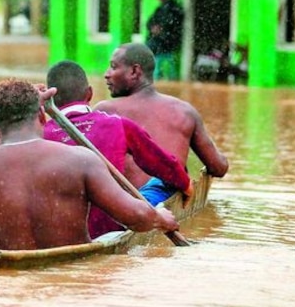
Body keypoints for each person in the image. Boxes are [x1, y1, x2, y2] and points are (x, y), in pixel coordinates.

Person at [0, 78, 179, 251]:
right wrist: (159, 218)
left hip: (9, 273)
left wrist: (12, 116)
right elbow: (135, 218)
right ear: (42, 117)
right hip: (74, 270)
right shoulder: (81, 159)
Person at [42, 60, 193, 238]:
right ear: (89, 93)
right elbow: (162, 164)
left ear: (50, 98)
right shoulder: (117, 124)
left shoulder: (38, 134)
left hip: (58, 230)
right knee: (168, 178)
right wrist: (185, 185)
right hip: (113, 224)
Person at [96, 43, 229, 203]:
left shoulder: (104, 111)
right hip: (159, 205)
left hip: (122, 207)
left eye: (113, 67)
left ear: (134, 71)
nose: (106, 74)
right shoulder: (185, 111)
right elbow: (218, 168)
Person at [145, 0, 184, 81]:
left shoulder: (174, 8)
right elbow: (149, 22)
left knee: (153, 49)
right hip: (159, 40)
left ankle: (159, 76)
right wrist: (153, 28)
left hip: (167, 40)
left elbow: (174, 23)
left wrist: (162, 29)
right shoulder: (160, 8)